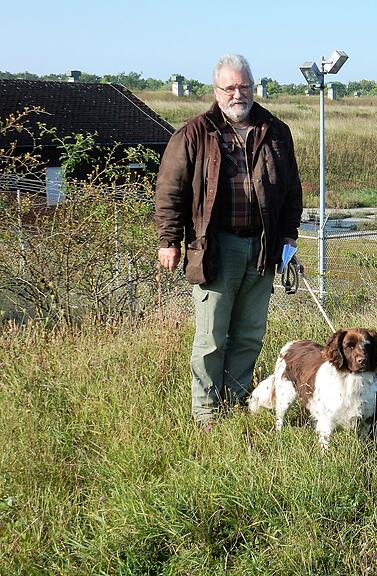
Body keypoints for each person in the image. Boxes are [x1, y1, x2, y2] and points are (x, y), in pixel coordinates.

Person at [154, 54, 302, 427]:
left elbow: (292, 191)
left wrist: (288, 238)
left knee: (250, 334)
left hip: (264, 247)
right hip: (217, 248)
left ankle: (234, 399)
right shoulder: (194, 133)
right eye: (230, 87)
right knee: (212, 337)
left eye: (244, 86)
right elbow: (170, 191)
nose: (238, 94)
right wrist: (169, 239)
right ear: (217, 90)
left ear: (254, 87)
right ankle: (205, 411)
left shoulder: (276, 130)